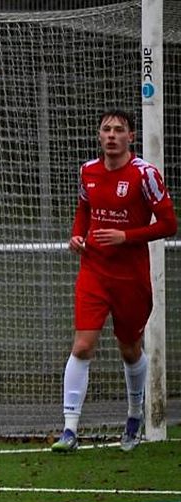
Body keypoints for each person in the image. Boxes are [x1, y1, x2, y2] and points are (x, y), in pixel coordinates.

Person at [51, 109, 176, 453]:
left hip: (131, 278)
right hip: (94, 271)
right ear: (99, 135)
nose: (111, 135)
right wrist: (77, 236)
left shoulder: (145, 175)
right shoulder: (88, 171)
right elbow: (84, 210)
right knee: (82, 346)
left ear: (130, 137)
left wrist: (126, 236)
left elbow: (169, 224)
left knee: (130, 348)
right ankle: (69, 429)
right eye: (106, 129)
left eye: (119, 130)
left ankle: (135, 414)